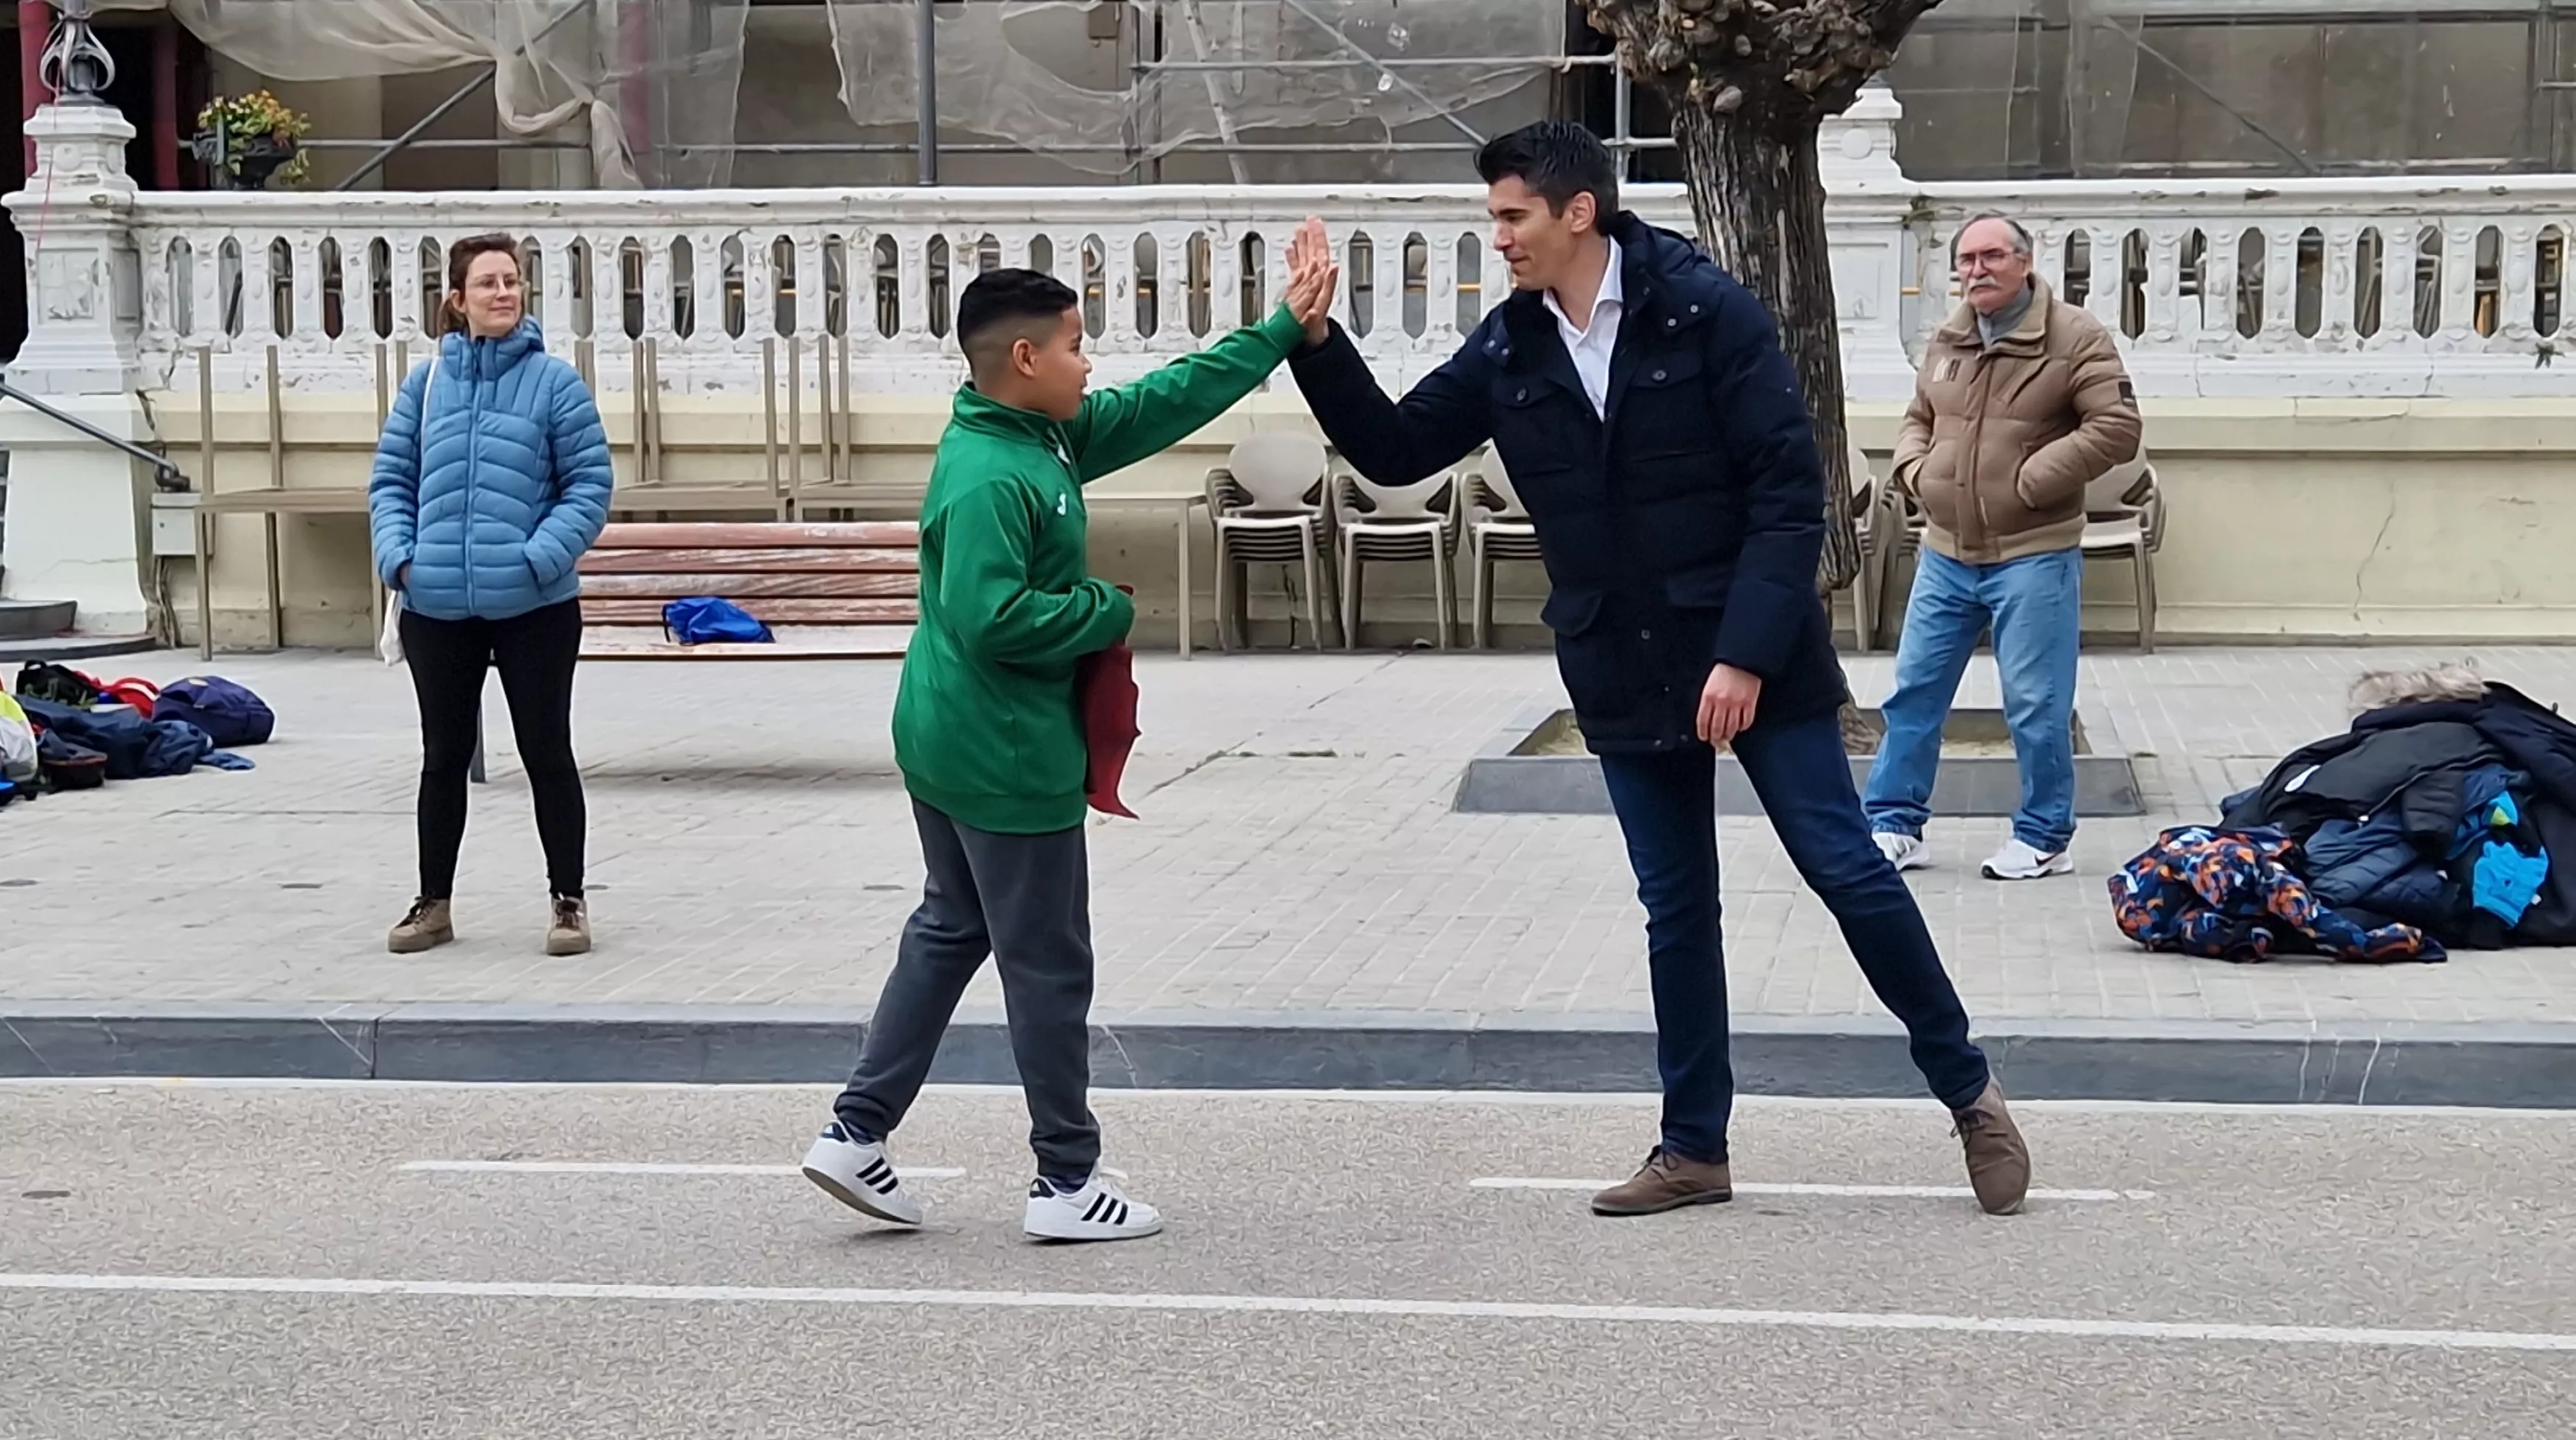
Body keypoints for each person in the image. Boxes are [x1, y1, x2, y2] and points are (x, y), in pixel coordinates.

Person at [1283, 122, 2034, 1217]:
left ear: (1575, 211)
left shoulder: (1706, 312)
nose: (1498, 239)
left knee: (1844, 868)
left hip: (1751, 655)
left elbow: (1788, 493)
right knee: (1675, 907)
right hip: (1618, 664)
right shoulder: (1509, 347)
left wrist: (1740, 656)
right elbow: (1395, 452)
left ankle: (1967, 1092)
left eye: (1511, 217)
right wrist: (1314, 339)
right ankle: (1693, 1150)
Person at [800, 238, 1341, 1243]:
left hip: (948, 737)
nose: (1090, 363)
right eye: (1076, 345)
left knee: (951, 929)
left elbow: (1164, 401)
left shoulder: (1034, 437)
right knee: (1048, 964)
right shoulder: (993, 477)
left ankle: (854, 1132)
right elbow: (989, 619)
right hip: (999, 754)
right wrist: (1101, 607)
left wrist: (1276, 334)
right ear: (1024, 361)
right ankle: (1063, 1181)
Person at [1865, 213, 2143, 882]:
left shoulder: (2075, 337)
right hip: (1945, 552)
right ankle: (1894, 824)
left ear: (2024, 261)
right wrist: (1914, 473)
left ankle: (2045, 836)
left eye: (1991, 256)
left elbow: (2116, 427)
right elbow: (1919, 418)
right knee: (1914, 694)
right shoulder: (1948, 338)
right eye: (1965, 260)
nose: (1975, 271)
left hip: (2033, 551)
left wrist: (2031, 480)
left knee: (2035, 702)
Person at [367, 233, 613, 959]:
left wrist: (540, 558)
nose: (504, 293)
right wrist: (400, 561)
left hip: (535, 604)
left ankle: (568, 901)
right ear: (458, 299)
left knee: (547, 752)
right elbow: (390, 482)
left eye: (512, 281)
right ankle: (433, 903)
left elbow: (590, 486)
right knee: (443, 757)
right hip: (436, 605)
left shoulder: (555, 383)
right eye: (488, 283)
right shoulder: (426, 385)